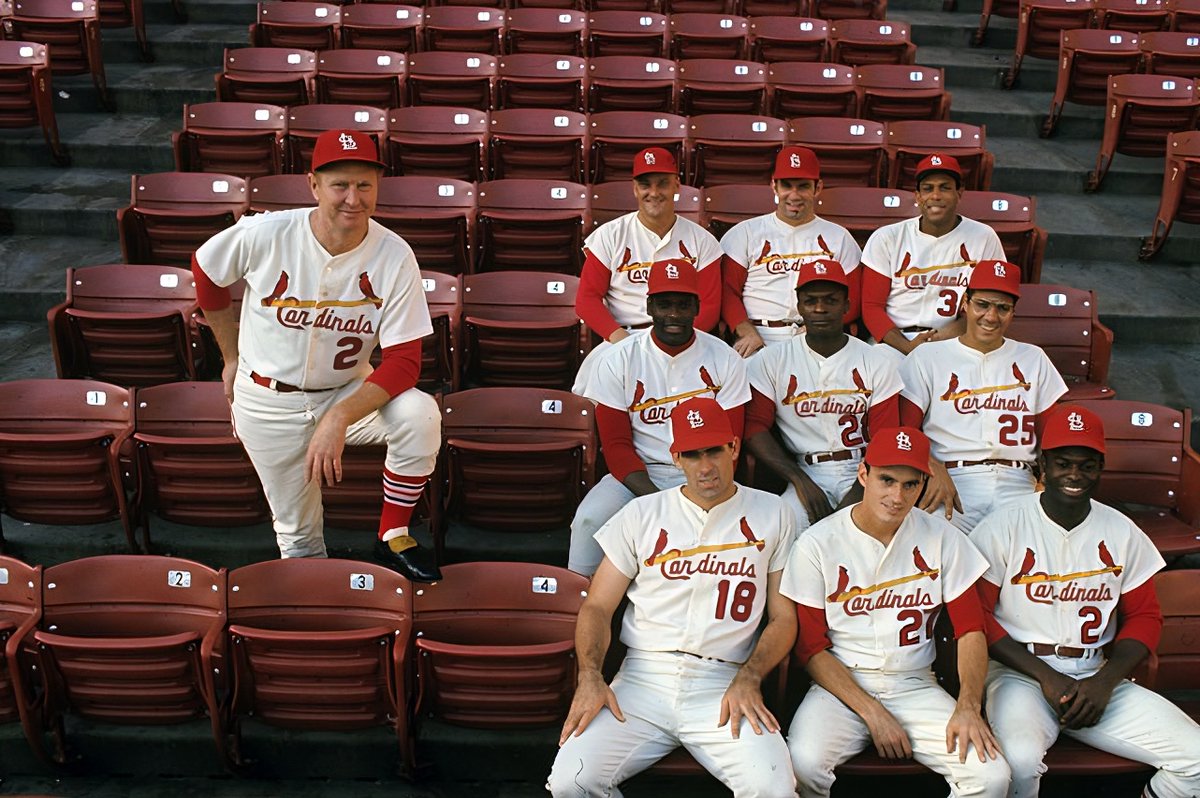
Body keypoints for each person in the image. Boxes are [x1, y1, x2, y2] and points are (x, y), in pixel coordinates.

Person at [191, 129, 441, 582]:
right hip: (268, 401)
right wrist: (229, 356)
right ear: (313, 185)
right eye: (339, 184)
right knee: (299, 538)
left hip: (345, 391)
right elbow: (206, 271)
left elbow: (405, 361)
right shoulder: (267, 233)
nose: (353, 198)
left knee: (419, 414)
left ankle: (393, 534)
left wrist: (339, 416)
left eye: (364, 184)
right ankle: (320, 605)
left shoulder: (394, 254)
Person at [548, 397, 798, 798]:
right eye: (692, 454)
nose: (705, 466)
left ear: (734, 447)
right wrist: (590, 676)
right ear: (676, 458)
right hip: (643, 679)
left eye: (714, 450)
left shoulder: (774, 512)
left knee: (774, 789)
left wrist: (751, 676)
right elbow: (597, 606)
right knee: (570, 782)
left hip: (724, 680)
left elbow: (783, 617)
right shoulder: (642, 513)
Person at [972, 404, 1200, 798]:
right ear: (1043, 465)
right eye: (1063, 463)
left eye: (1086, 465)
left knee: (1195, 758)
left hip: (1095, 674)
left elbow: (1145, 617)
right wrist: (1047, 676)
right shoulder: (1003, 525)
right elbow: (977, 618)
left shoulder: (1122, 531)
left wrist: (1105, 682)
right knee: (1018, 762)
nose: (1075, 475)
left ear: (1100, 467)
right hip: (1020, 674)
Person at [781, 427, 1010, 798]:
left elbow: (971, 629)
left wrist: (969, 705)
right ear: (863, 474)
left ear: (923, 484)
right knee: (803, 764)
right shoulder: (817, 543)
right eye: (886, 480)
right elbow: (810, 648)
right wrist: (873, 714)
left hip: (914, 683)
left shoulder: (943, 537)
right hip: (841, 687)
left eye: (910, 484)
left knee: (991, 776)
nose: (897, 496)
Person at [568, 259, 750, 576]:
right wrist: (660, 502)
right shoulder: (617, 359)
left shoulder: (726, 358)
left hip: (705, 470)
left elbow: (729, 446)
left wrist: (697, 490)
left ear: (697, 307)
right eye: (665, 304)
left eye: (683, 304)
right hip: (638, 473)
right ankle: (578, 594)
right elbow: (616, 447)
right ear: (650, 306)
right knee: (589, 519)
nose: (674, 314)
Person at [899, 259, 1067, 533]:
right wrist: (931, 465)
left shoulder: (1033, 358)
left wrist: (1046, 482)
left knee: (1038, 546)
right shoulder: (927, 357)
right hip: (952, 480)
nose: (991, 316)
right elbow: (904, 430)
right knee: (929, 543)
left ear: (1013, 312)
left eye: (1003, 308)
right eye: (982, 304)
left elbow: (1054, 436)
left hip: (1018, 481)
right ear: (965, 303)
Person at [744, 260, 902, 531]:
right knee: (782, 527)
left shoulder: (876, 361)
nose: (820, 308)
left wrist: (857, 496)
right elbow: (753, 426)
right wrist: (798, 480)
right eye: (811, 301)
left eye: (831, 300)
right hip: (807, 469)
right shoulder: (772, 360)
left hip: (866, 470)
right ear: (799, 305)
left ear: (847, 305)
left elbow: (885, 437)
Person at [720, 146, 862, 357]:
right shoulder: (745, 233)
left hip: (818, 334)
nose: (794, 195)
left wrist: (819, 329)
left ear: (817, 188)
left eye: (803, 186)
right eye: (786, 185)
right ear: (774, 186)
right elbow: (727, 291)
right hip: (758, 334)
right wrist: (743, 329)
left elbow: (854, 298)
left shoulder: (839, 237)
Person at [860, 153, 1005, 357]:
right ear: (918, 196)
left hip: (955, 340)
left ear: (959, 193)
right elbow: (872, 307)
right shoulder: (887, 237)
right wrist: (908, 348)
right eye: (928, 188)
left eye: (945, 187)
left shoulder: (984, 237)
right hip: (894, 342)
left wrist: (937, 341)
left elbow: (988, 305)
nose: (936, 196)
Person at [575, 146, 723, 344]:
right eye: (645, 185)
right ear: (635, 189)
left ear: (677, 186)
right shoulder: (610, 235)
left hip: (684, 339)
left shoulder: (702, 240)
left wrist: (681, 344)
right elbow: (587, 300)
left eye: (663, 184)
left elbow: (709, 306)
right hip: (624, 336)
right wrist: (621, 341)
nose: (654, 193)